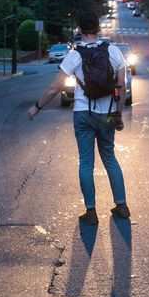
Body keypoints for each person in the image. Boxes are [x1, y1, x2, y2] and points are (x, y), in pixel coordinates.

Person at [27, 12, 130, 225]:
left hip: (83, 113)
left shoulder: (74, 55)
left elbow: (56, 87)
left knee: (86, 162)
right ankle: (121, 206)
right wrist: (117, 113)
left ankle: (91, 212)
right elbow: (121, 87)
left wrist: (37, 107)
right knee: (110, 158)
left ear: (80, 31)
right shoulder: (114, 51)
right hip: (108, 113)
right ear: (99, 29)